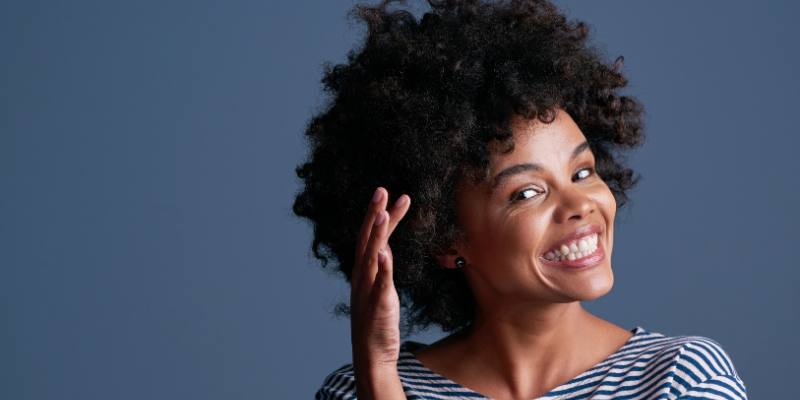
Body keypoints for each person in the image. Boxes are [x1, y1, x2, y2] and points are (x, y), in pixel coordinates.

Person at [293, 0, 748, 398]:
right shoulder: (362, 389)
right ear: (446, 239)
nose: (579, 203)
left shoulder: (679, 379)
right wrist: (378, 375)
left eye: (582, 172)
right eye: (528, 192)